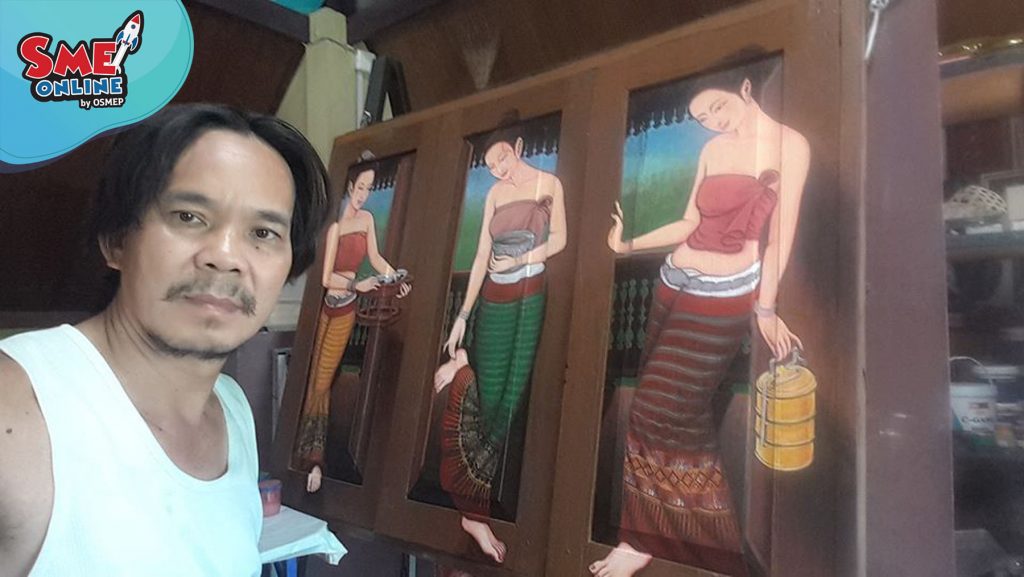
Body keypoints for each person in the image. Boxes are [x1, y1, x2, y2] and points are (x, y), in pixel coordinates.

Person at [0, 103, 330, 576]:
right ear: (116, 240)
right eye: (189, 217)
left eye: (263, 232)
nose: (225, 256)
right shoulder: (19, 407)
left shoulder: (232, 409)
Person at [590, 61, 809, 577]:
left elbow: (779, 239)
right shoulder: (712, 150)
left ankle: (705, 549)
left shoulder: (790, 145)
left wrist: (766, 307)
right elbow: (691, 221)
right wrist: (628, 244)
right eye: (703, 117)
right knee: (651, 410)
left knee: (662, 408)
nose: (713, 120)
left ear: (746, 88)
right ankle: (642, 537)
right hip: (673, 283)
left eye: (717, 107)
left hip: (726, 293)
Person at [433, 126, 567, 564]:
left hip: (530, 295)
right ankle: (472, 513)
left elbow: (559, 240)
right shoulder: (493, 194)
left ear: (519, 148)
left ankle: (476, 506)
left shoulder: (549, 183)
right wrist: (461, 316)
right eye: (491, 166)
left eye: (503, 159)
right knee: (488, 394)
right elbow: (479, 257)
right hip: (493, 296)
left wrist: (523, 259)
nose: (499, 170)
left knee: (511, 397)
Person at [294, 164, 411, 494]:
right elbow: (325, 278)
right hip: (328, 307)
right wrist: (356, 284)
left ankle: (314, 457)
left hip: (346, 310)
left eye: (369, 189)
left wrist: (394, 278)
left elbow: (375, 257)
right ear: (349, 187)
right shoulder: (335, 228)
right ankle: (306, 455)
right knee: (315, 379)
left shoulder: (367, 220)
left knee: (323, 379)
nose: (364, 195)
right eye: (360, 187)